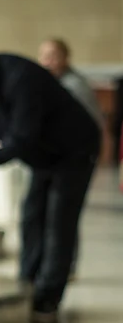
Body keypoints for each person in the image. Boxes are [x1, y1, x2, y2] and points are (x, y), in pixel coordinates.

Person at [0, 47, 101, 323]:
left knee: (58, 223)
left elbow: (22, 137)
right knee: (32, 217)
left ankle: (47, 300)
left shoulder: (21, 78)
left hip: (73, 152)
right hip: (43, 157)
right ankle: (27, 285)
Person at [38, 39, 104, 280]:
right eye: (44, 55)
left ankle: (66, 266)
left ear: (66, 58)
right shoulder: (52, 85)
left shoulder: (75, 86)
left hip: (75, 160)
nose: (48, 61)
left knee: (65, 215)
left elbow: (93, 126)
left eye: (53, 55)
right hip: (58, 160)